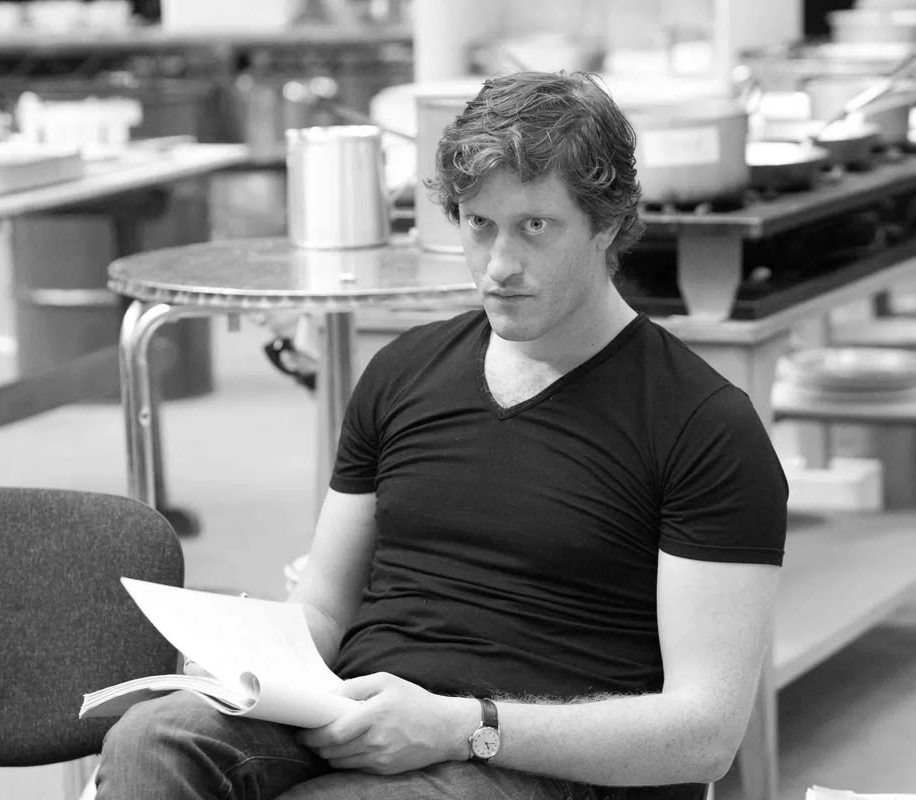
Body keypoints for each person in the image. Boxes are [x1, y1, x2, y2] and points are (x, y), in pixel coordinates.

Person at [95, 70, 788, 800]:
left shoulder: (703, 426)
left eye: (535, 227)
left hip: (535, 763)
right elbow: (324, 606)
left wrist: (463, 726)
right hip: (358, 714)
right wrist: (251, 668)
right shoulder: (404, 371)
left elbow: (705, 733)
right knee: (153, 739)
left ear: (607, 224)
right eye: (479, 224)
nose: (500, 267)